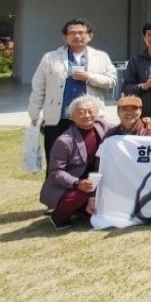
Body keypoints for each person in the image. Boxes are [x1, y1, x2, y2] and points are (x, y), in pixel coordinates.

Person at [29, 18, 117, 157]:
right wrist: (34, 114)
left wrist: (89, 77)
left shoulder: (101, 57)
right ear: (65, 37)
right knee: (56, 159)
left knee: (90, 159)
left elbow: (112, 81)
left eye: (81, 32)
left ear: (90, 35)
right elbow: (38, 87)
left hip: (89, 118)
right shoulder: (50, 58)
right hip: (58, 118)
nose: (77, 36)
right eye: (72, 33)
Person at [40, 95, 109, 229]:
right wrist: (77, 183)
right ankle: (58, 217)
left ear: (97, 113)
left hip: (93, 182)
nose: (87, 115)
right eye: (81, 112)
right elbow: (56, 172)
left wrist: (147, 122)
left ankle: (80, 209)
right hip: (68, 186)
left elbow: (124, 129)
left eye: (90, 111)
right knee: (83, 193)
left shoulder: (102, 126)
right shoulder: (64, 141)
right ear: (72, 116)